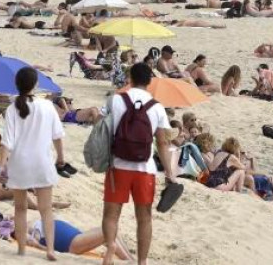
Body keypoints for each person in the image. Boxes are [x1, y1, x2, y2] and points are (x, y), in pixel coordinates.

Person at [102, 63, 176, 265]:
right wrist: (169, 172)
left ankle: (110, 249)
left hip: (117, 165)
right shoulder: (157, 107)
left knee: (111, 213)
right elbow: (162, 143)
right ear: (149, 82)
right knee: (144, 217)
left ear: (130, 78)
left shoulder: (116, 99)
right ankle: (142, 261)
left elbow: (103, 130)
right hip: (145, 169)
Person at [0, 67, 66, 261]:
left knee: (20, 208)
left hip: (20, 163)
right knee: (46, 209)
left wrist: (1, 165)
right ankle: (50, 249)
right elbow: (58, 136)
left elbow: (7, 142)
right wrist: (61, 158)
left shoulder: (12, 109)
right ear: (35, 85)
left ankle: (21, 249)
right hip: (42, 162)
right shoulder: (46, 106)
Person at [28, 219, 132, 260]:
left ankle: (131, 260)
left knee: (113, 229)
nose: (11, 217)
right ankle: (128, 261)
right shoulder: (30, 232)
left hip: (78, 235)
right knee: (108, 230)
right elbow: (34, 243)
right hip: (72, 243)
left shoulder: (34, 222)